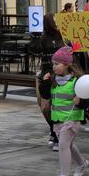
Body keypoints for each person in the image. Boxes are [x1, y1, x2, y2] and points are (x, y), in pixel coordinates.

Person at [39, 46, 89, 176]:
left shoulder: (76, 80)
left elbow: (87, 99)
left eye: (57, 64)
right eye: (53, 64)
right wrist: (44, 83)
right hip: (58, 119)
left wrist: (81, 101)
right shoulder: (53, 80)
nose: (54, 67)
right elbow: (45, 95)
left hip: (72, 119)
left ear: (67, 64)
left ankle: (63, 175)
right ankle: (82, 163)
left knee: (63, 145)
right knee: (69, 145)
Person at [34, 13, 65, 151]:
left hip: (59, 75)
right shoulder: (42, 38)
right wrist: (34, 37)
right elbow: (33, 50)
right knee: (44, 106)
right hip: (45, 74)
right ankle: (53, 129)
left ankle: (57, 135)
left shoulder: (62, 37)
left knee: (56, 105)